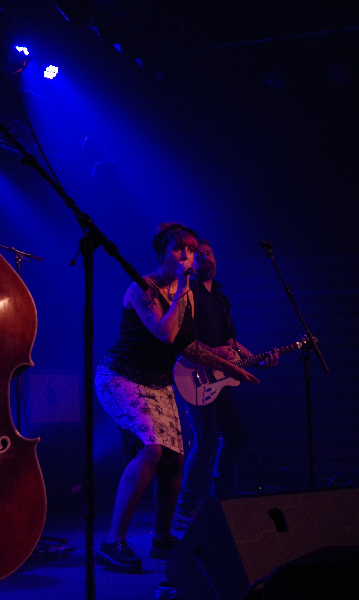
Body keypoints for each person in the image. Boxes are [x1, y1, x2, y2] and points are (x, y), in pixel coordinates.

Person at [94, 223, 259, 573]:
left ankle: (161, 537)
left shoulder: (189, 295)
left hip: (158, 382)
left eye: (190, 250)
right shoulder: (145, 288)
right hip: (121, 378)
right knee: (151, 450)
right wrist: (183, 288)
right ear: (161, 255)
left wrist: (235, 369)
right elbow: (167, 334)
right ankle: (112, 541)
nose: (187, 256)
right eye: (179, 250)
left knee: (174, 460)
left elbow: (190, 345)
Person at [174, 239, 278, 528]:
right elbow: (181, 339)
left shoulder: (220, 297)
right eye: (201, 255)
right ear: (191, 262)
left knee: (235, 434)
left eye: (210, 253)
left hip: (221, 378)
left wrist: (255, 359)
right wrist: (215, 354)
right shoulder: (187, 293)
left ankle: (219, 499)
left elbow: (231, 342)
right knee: (205, 440)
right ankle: (184, 509)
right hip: (194, 373)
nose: (207, 258)